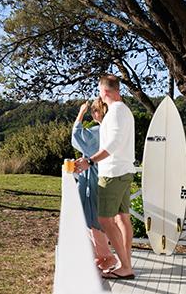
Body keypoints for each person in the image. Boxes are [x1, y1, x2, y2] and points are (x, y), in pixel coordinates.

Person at [75, 74, 136, 280]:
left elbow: (113, 144)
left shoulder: (116, 112)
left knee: (104, 219)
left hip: (113, 173)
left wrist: (89, 161)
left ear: (105, 91)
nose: (99, 94)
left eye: (100, 90)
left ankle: (125, 267)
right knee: (120, 218)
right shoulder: (123, 111)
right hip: (123, 171)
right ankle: (125, 261)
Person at [71, 98, 118, 271]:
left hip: (97, 179)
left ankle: (108, 257)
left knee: (93, 218)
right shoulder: (112, 131)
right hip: (106, 178)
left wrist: (80, 113)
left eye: (94, 110)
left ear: (102, 112)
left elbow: (77, 136)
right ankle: (102, 257)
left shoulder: (100, 131)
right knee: (96, 218)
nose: (92, 113)